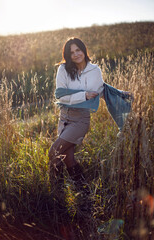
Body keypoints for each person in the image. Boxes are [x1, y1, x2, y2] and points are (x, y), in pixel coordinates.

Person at [48, 37, 104, 205]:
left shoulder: (94, 70)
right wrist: (82, 94)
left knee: (54, 152)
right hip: (64, 117)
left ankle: (56, 195)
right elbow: (60, 95)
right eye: (71, 52)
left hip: (80, 119)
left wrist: (72, 95)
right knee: (68, 158)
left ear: (84, 50)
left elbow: (92, 97)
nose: (76, 54)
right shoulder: (63, 69)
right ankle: (83, 193)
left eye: (78, 50)